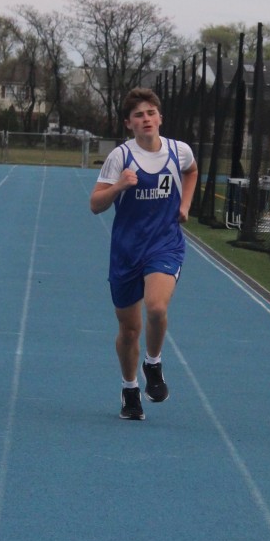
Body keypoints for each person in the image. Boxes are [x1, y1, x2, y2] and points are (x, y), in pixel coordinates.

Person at [89, 88, 198, 421]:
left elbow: (192, 171)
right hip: (126, 251)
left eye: (151, 113)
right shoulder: (120, 157)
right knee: (129, 330)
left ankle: (153, 363)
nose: (146, 119)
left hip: (164, 244)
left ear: (160, 117)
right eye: (139, 115)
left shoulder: (179, 151)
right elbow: (95, 204)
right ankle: (130, 388)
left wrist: (185, 205)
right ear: (129, 123)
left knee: (156, 306)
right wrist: (119, 186)